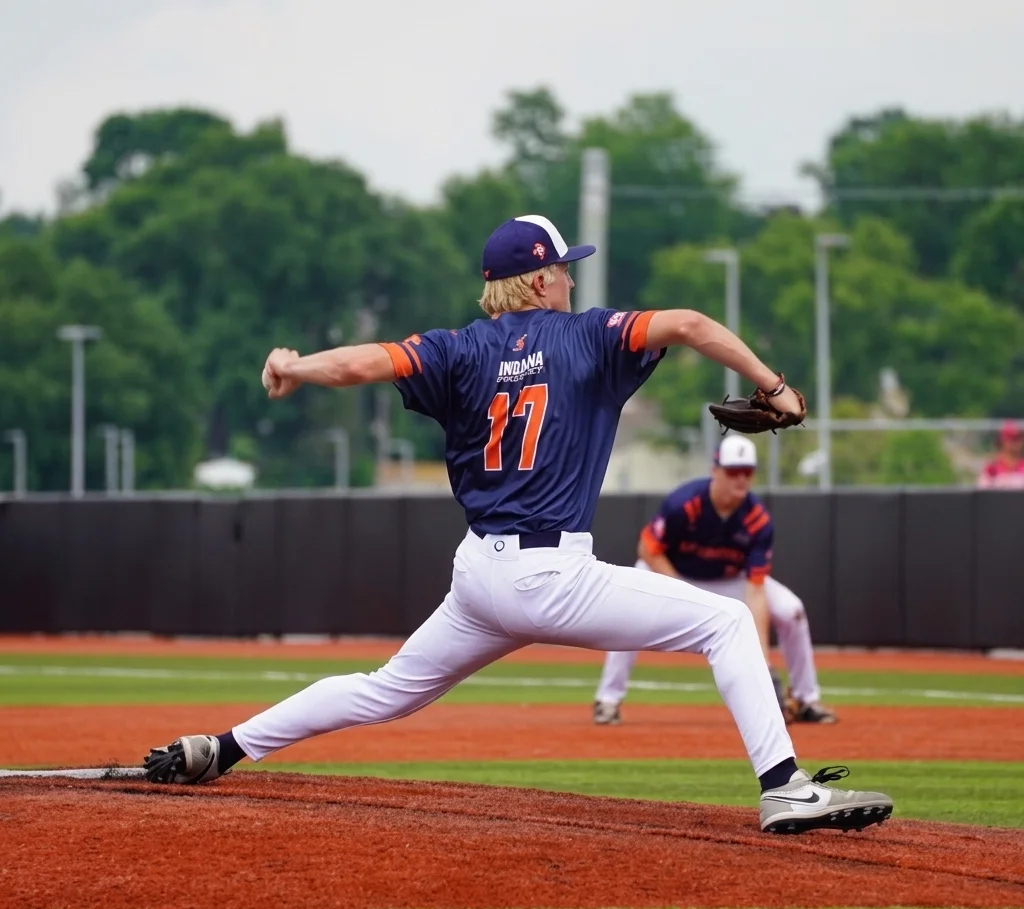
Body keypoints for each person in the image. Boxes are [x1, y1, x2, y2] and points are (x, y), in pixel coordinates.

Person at [143, 214, 892, 835]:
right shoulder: (589, 336)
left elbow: (363, 364)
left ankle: (223, 747)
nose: (571, 278)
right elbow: (691, 322)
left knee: (386, 690)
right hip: (552, 574)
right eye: (564, 267)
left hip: (480, 579)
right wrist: (777, 387)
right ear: (538, 279)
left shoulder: (458, 348)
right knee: (728, 623)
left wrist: (295, 368)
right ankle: (785, 787)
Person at [593, 435, 837, 727]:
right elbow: (648, 549)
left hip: (727, 582)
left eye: (747, 472)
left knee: (791, 610)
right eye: (733, 471)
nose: (741, 479)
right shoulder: (685, 503)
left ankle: (806, 699)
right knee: (630, 610)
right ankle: (608, 700)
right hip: (674, 574)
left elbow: (755, 591)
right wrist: (680, 593)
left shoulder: (757, 520)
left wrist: (762, 662)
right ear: (716, 471)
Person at [977, 421, 1024, 490]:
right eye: (1011, 438)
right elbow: (983, 494)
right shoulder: (991, 469)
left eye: (1018, 438)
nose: (1015, 443)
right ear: (1001, 440)